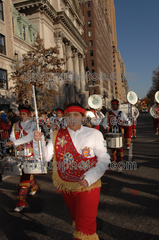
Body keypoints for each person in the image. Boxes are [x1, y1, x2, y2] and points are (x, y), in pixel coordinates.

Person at [33, 102, 110, 240]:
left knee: (84, 228)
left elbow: (104, 159)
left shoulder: (94, 134)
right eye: (69, 115)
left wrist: (90, 177)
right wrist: (37, 142)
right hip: (67, 185)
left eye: (76, 115)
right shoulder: (56, 135)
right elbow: (44, 158)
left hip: (89, 186)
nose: (72, 118)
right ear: (65, 118)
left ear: (82, 118)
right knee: (77, 220)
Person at [6, 104, 39, 212]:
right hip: (19, 154)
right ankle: (34, 186)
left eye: (24, 114)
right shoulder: (16, 125)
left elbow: (29, 137)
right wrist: (16, 145)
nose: (22, 116)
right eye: (20, 114)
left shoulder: (33, 124)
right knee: (25, 172)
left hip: (30, 154)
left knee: (24, 178)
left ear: (29, 115)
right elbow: (12, 136)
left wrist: (15, 142)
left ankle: (20, 202)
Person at [102, 99, 131, 171]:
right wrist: (107, 127)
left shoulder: (122, 113)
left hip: (120, 133)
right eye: (113, 104)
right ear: (111, 105)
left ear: (118, 105)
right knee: (113, 149)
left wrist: (124, 123)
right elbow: (104, 123)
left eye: (116, 104)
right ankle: (114, 163)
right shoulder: (108, 114)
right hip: (111, 133)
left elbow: (128, 122)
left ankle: (120, 166)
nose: (114, 106)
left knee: (120, 150)